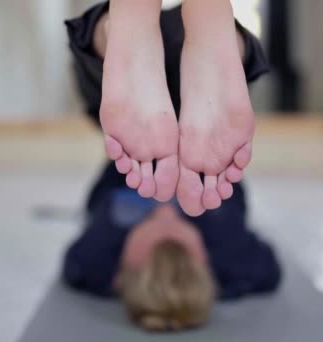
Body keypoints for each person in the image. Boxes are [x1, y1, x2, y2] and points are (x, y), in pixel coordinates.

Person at [61, 1, 281, 331]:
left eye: (156, 247)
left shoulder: (94, 262)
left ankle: (113, 33)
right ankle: (222, 44)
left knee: (98, 87)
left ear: (117, 276)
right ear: (208, 262)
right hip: (203, 130)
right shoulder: (232, 254)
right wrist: (221, 285)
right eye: (179, 247)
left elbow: (78, 267)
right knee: (182, 43)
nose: (165, 217)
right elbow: (266, 270)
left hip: (140, 131)